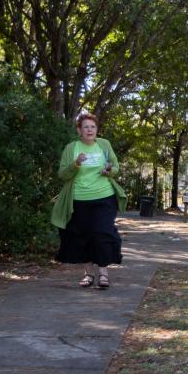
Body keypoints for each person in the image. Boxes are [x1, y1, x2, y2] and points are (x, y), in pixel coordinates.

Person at [51, 112, 128, 290]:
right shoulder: (72, 148)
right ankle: (88, 274)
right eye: (86, 127)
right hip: (78, 199)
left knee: (101, 232)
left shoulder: (104, 144)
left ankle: (103, 274)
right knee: (81, 236)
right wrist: (76, 163)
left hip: (104, 197)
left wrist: (109, 170)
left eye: (93, 126)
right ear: (79, 130)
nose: (89, 130)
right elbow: (63, 174)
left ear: (97, 129)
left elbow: (115, 167)